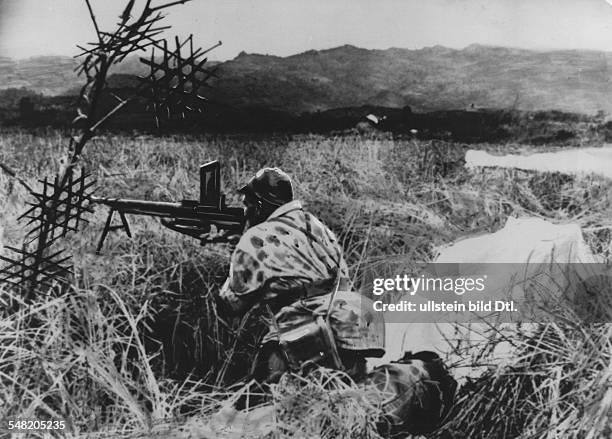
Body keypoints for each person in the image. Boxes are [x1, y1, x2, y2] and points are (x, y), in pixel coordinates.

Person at [217, 167, 385, 385]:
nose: (245, 212)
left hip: (307, 330)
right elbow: (341, 278)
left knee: (266, 403)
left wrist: (234, 254)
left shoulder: (255, 237)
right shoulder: (316, 226)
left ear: (260, 204)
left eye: (247, 204)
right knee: (348, 399)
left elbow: (231, 305)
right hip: (354, 322)